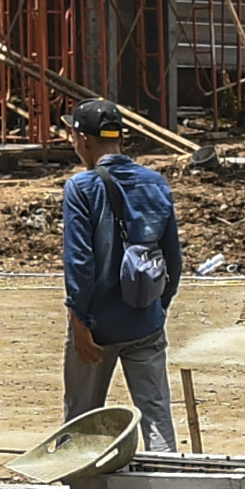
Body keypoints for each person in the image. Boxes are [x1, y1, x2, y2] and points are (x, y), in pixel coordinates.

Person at [58, 98, 183, 452]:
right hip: (145, 321)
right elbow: (173, 260)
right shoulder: (155, 183)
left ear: (83, 139)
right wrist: (157, 308)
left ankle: (82, 482)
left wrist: (79, 321)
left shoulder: (81, 188)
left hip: (96, 326)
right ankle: (168, 479)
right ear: (121, 138)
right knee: (157, 416)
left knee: (81, 418)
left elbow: (80, 262)